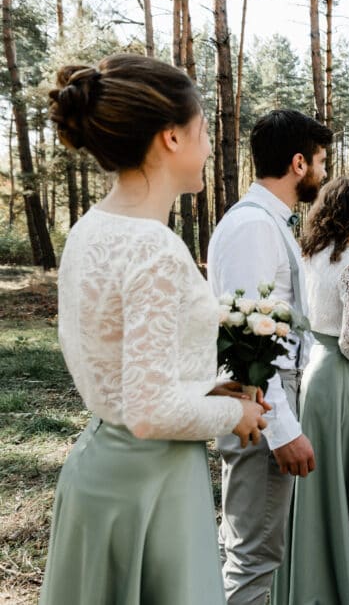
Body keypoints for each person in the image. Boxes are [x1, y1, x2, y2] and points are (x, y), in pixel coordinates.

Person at [40, 54, 267, 604]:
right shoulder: (153, 246)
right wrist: (237, 413)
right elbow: (149, 413)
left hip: (101, 466)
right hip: (149, 485)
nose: (210, 145)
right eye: (203, 130)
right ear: (171, 137)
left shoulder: (90, 228)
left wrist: (204, 388)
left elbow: (127, 370)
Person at [207, 109, 328, 605]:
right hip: (260, 404)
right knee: (253, 553)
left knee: (258, 547)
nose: (324, 173)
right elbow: (246, 345)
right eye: (321, 161)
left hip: (270, 398)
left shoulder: (269, 221)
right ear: (299, 163)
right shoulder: (253, 227)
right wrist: (282, 429)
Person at [273, 177, 349, 604]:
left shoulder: (311, 253)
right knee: (335, 474)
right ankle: (335, 579)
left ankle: (304, 575)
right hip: (335, 371)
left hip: (309, 369)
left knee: (313, 480)